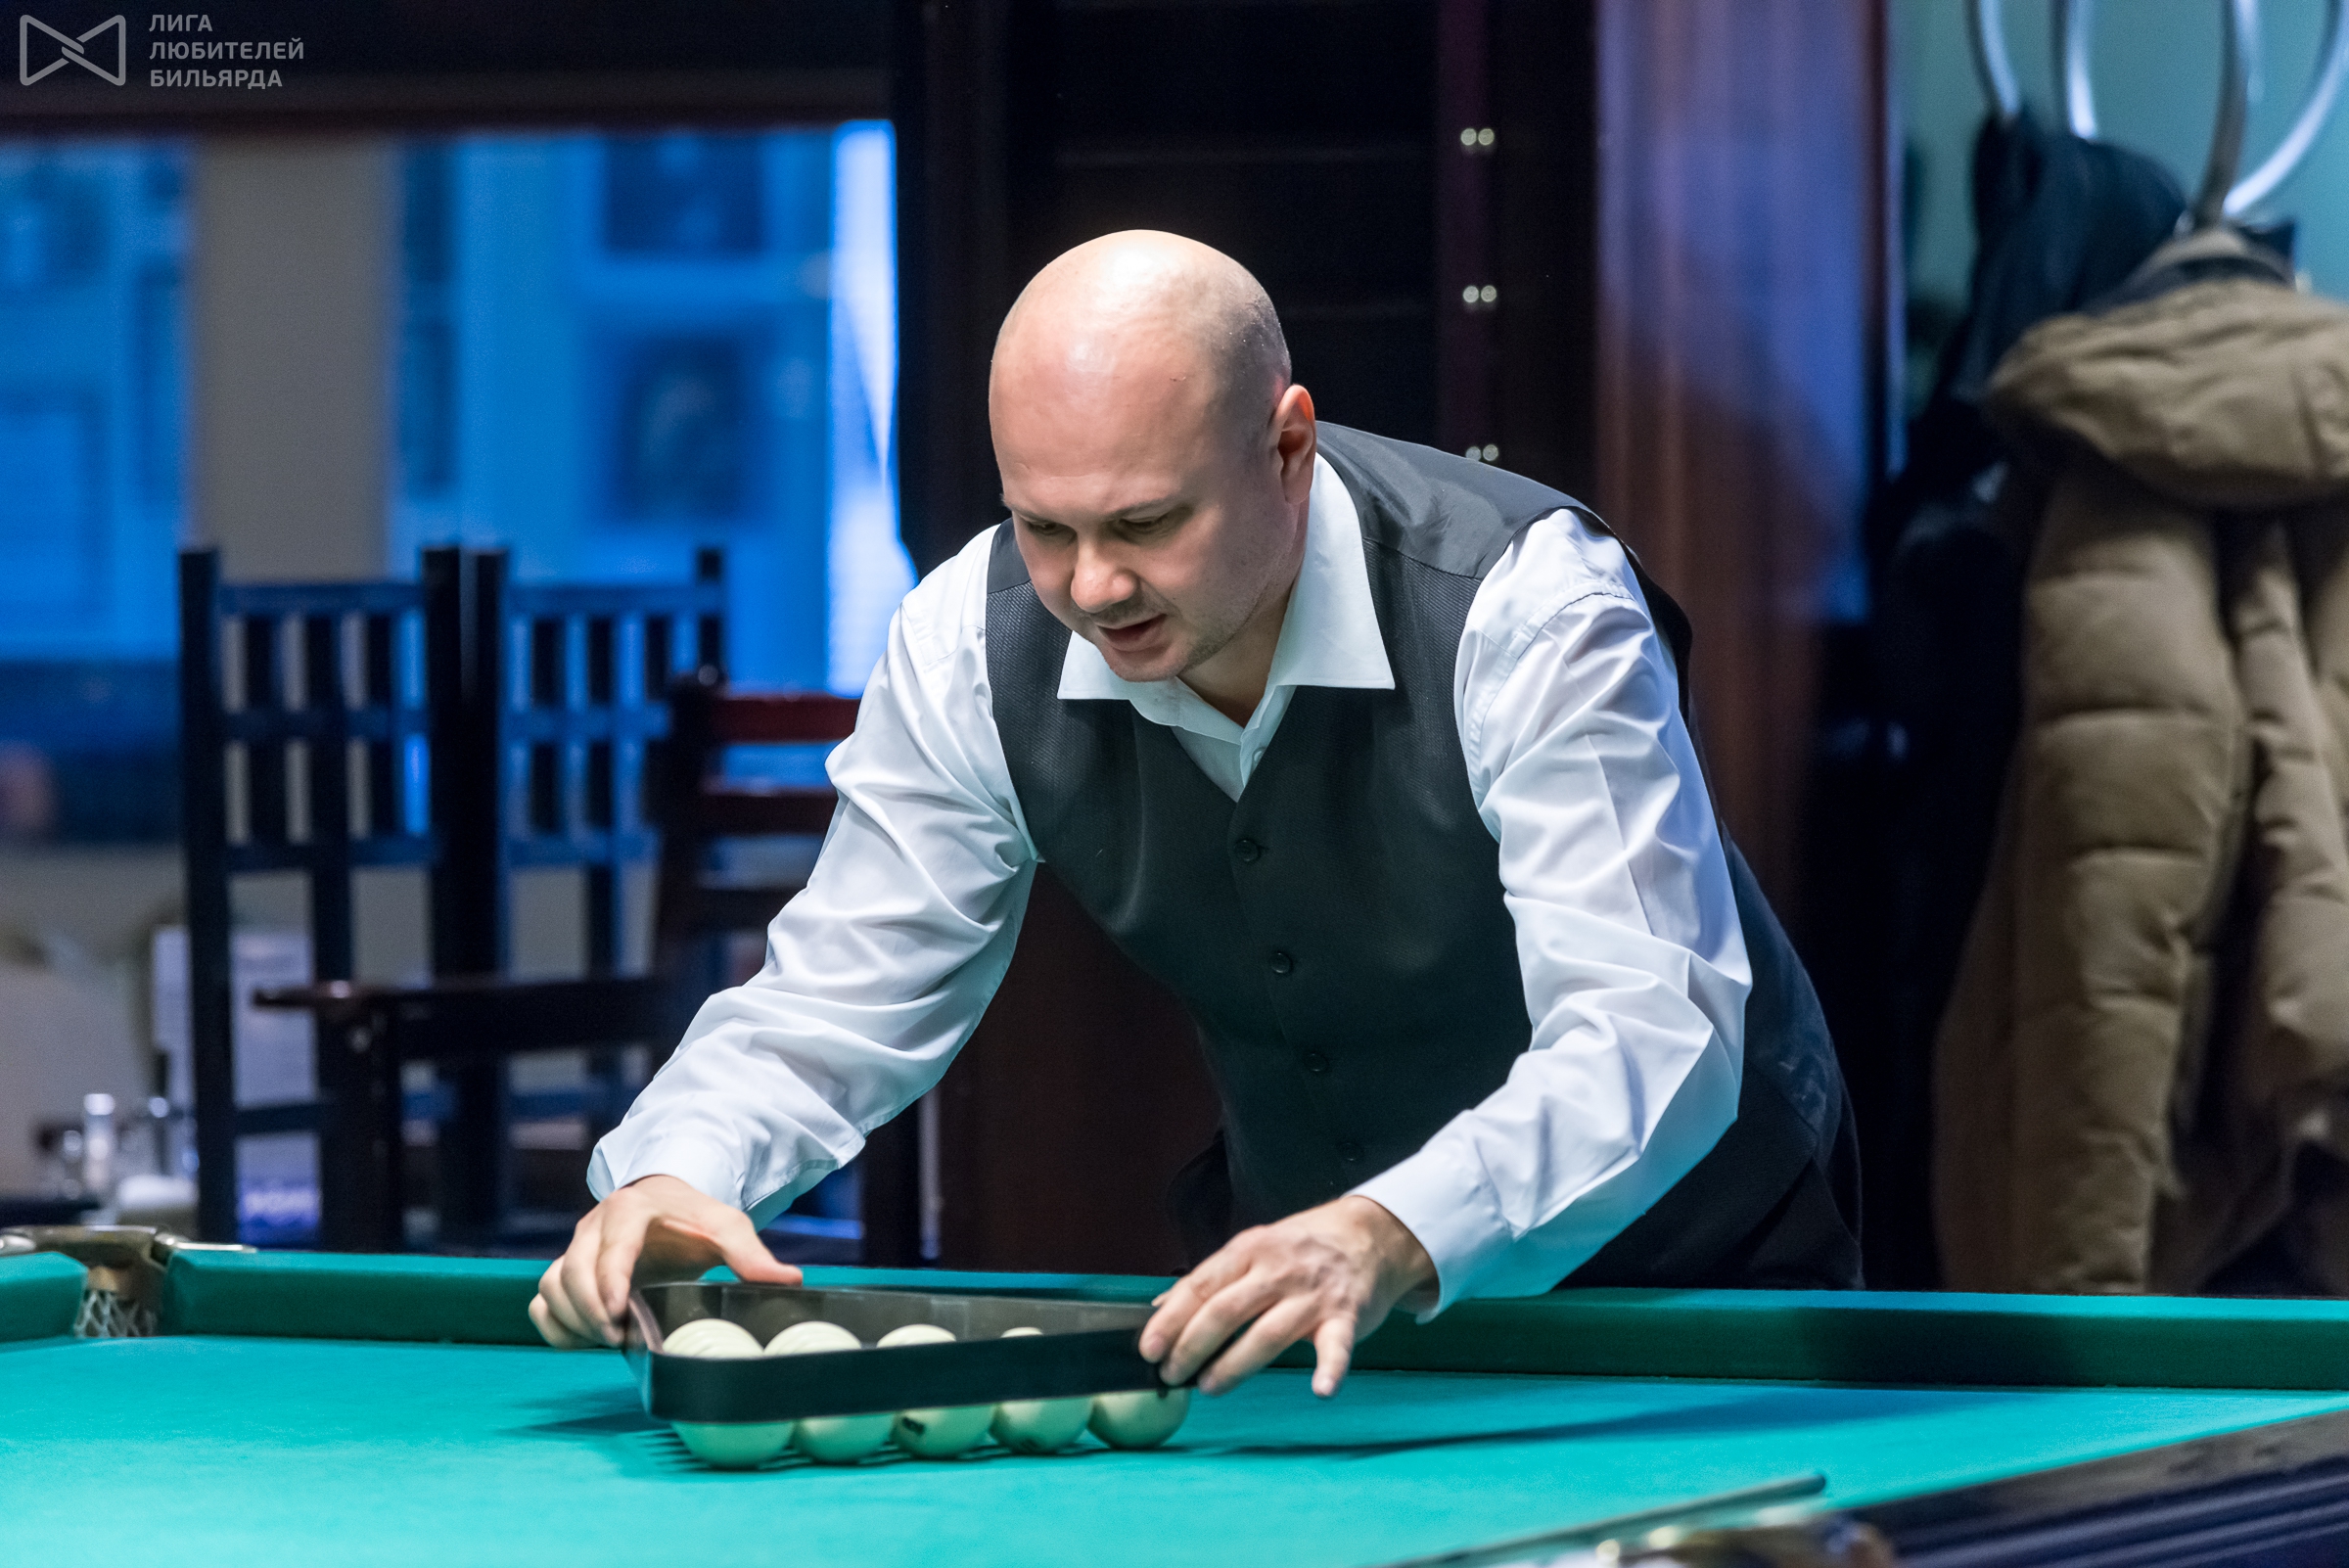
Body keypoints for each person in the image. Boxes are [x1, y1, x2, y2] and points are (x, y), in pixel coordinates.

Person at [531, 231, 1860, 1397]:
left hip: (1694, 1294)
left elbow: (1654, 1028)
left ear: (1287, 446)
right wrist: (675, 1171)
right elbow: (835, 1001)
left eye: (1146, 523)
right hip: (1309, 1316)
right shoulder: (967, 639)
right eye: (1043, 528)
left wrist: (1393, 1229)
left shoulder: (1529, 605)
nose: (1091, 587)